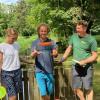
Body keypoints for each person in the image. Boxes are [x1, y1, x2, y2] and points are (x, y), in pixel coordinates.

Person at [59, 20, 98, 100]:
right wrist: (63, 58)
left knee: (88, 88)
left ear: (85, 29)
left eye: (79, 28)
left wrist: (84, 61)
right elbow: (69, 48)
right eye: (76, 28)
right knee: (76, 88)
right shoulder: (73, 37)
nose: (77, 30)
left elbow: (94, 56)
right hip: (75, 67)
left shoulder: (91, 40)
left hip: (87, 68)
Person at [31, 23, 58, 100]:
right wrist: (34, 53)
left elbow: (55, 52)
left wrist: (55, 53)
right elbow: (32, 55)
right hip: (39, 71)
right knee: (43, 93)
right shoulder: (35, 43)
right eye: (41, 31)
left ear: (47, 32)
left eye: (45, 31)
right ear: (39, 32)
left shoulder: (52, 42)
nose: (43, 33)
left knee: (49, 91)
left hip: (49, 71)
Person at [0, 28, 22, 100]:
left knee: (15, 94)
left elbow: (18, 57)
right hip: (6, 73)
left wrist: (30, 61)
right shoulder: (2, 46)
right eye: (13, 38)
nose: (14, 40)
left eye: (15, 38)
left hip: (17, 72)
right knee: (13, 96)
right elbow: (0, 61)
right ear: (8, 36)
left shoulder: (17, 45)